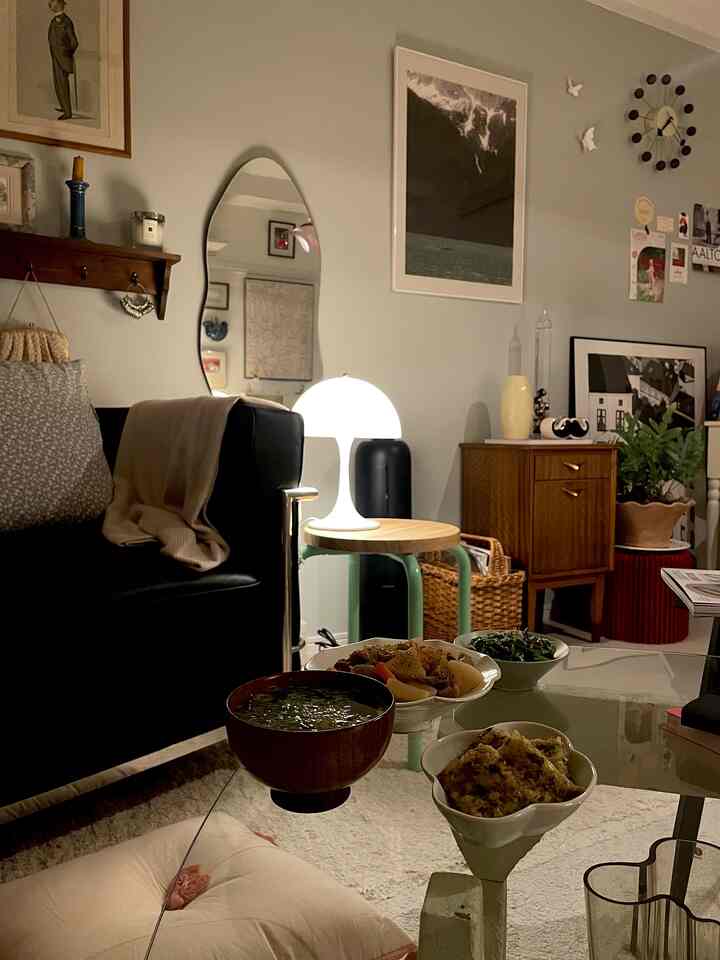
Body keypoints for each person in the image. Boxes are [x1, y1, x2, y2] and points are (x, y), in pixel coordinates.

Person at [48, 0, 78, 121]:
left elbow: (74, 42)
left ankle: (68, 112)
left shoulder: (66, 21)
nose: (50, 5)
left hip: (62, 59)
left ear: (60, 5)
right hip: (55, 57)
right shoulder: (54, 20)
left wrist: (66, 54)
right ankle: (63, 106)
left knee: (62, 85)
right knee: (58, 84)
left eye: (53, 3)